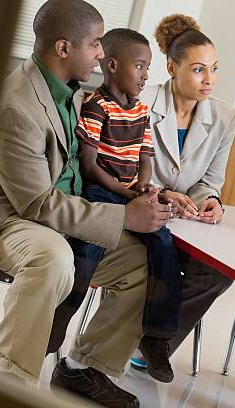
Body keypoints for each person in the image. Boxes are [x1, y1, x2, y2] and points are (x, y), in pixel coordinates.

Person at [0, 1, 171, 406]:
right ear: (62, 48)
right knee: (52, 258)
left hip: (60, 209)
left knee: (140, 261)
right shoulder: (16, 105)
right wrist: (124, 214)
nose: (102, 54)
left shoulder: (71, 92)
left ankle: (84, 369)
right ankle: (11, 378)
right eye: (94, 44)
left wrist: (140, 194)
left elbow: (94, 162)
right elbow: (36, 203)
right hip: (7, 216)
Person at [56, 28, 182, 384]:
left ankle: (157, 337)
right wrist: (129, 197)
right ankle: (64, 312)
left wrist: (143, 183)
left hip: (129, 194)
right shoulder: (97, 106)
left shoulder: (142, 111)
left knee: (164, 244)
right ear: (111, 65)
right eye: (140, 67)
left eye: (148, 68)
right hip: (101, 193)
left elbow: (145, 154)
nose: (146, 76)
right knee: (90, 246)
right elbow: (90, 165)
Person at [123, 14, 235, 374]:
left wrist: (211, 200)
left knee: (218, 274)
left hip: (186, 226)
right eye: (199, 70)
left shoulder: (224, 116)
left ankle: (151, 344)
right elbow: (123, 172)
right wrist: (164, 194)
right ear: (172, 67)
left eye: (214, 69)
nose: (210, 80)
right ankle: (134, 339)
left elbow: (211, 179)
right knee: (160, 263)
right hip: (141, 217)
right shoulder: (142, 104)